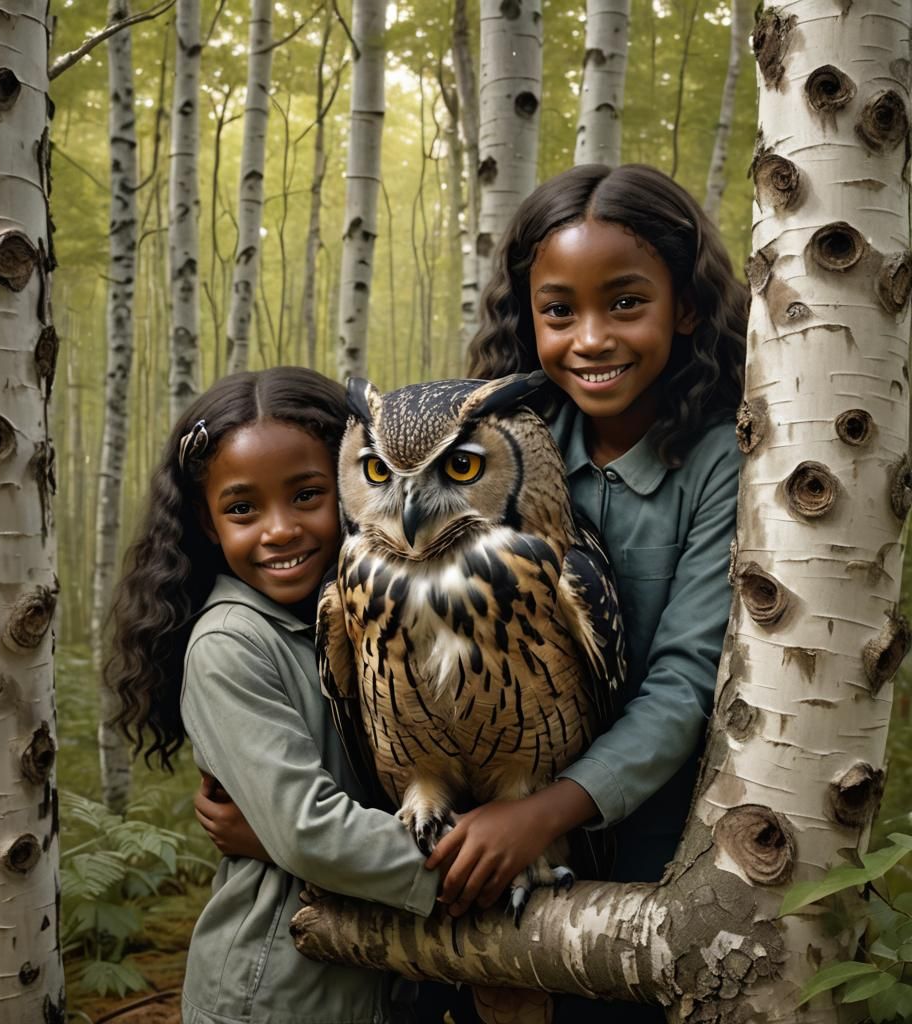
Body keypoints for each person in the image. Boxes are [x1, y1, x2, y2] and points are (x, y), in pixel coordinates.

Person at [422, 162, 747, 1020]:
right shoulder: (485, 448)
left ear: (686, 308)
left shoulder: (724, 459)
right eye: (560, 310)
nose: (591, 337)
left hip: (646, 859)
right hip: (484, 840)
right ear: (528, 320)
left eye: (626, 303)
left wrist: (546, 814)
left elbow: (684, 683)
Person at [107, 367, 440, 1024]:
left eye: (307, 494)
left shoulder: (379, 610)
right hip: (278, 988)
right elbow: (309, 832)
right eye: (242, 509)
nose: (279, 529)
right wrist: (476, 863)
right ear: (206, 523)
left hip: (385, 974)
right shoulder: (231, 643)